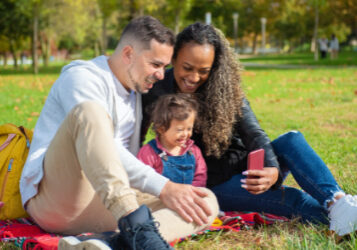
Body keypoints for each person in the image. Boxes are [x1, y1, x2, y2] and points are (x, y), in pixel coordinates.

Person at [20, 17, 218, 250]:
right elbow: (105, 147)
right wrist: (163, 187)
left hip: (104, 203)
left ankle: (109, 242)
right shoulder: (82, 77)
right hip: (55, 199)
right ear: (128, 54)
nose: (162, 75)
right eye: (155, 64)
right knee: (89, 112)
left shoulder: (134, 90)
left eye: (164, 67)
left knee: (203, 200)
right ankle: (139, 232)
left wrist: (170, 191)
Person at [142, 22, 357, 237]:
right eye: (187, 67)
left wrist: (271, 169)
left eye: (203, 70)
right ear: (174, 58)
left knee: (292, 140)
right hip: (215, 183)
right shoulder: (156, 90)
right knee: (292, 199)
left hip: (247, 166)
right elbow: (135, 138)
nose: (194, 77)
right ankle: (344, 219)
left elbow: (254, 133)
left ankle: (338, 204)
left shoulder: (223, 86)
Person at [138, 93, 207, 187]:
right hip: (158, 198)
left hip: (190, 196)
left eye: (189, 129)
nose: (185, 134)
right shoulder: (149, 153)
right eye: (180, 130)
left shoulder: (193, 151)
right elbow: (142, 179)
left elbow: (200, 176)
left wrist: (193, 193)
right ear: (161, 129)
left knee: (209, 198)